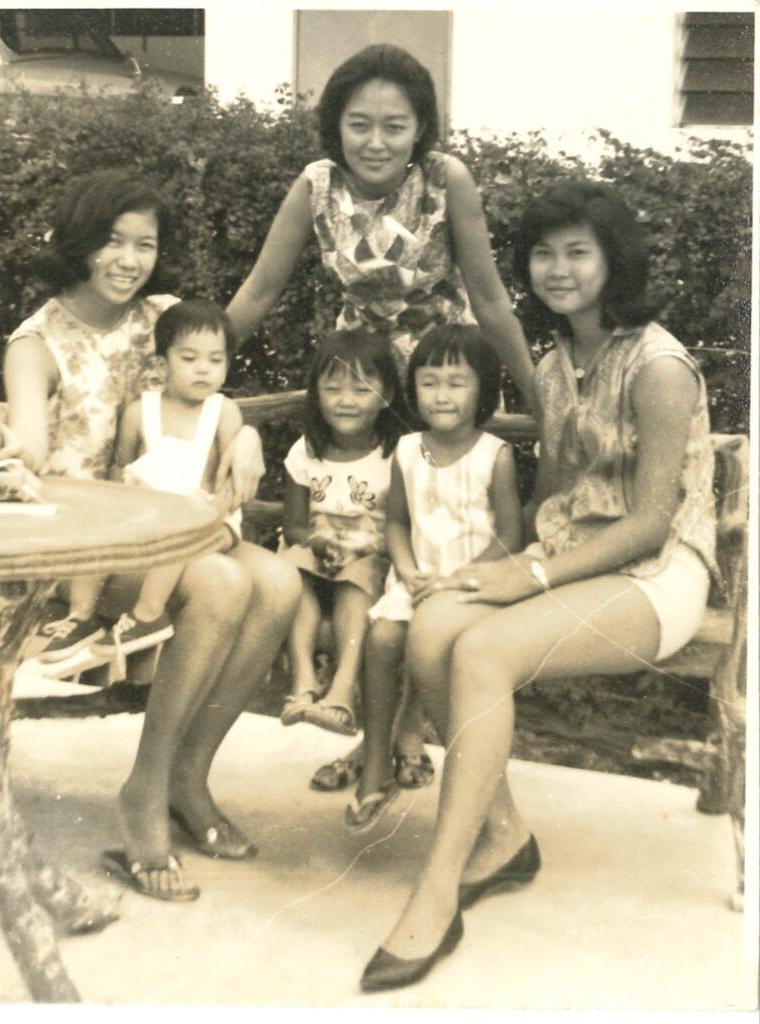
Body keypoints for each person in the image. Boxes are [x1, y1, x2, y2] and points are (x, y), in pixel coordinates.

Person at [359, 181, 717, 991]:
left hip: (657, 575)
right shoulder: (556, 365)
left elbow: (649, 523)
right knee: (434, 624)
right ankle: (504, 835)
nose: (559, 270)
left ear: (613, 260)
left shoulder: (659, 367)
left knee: (482, 652)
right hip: (569, 559)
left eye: (578, 252)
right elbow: (554, 497)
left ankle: (437, 890)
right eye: (544, 255)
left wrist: (526, 575)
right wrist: (488, 568)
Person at [227, 43, 536, 791]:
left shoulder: (446, 179)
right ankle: (369, 737)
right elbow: (260, 290)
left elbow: (490, 298)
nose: (375, 141)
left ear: (421, 128)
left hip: (441, 388)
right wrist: (192, 368)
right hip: (363, 390)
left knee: (428, 561)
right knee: (375, 564)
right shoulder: (315, 186)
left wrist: (538, 397)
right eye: (359, 124)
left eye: (394, 126)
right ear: (334, 126)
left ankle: (406, 736)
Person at [3, 169, 300, 901]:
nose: (129, 260)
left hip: (170, 525)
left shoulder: (163, 317)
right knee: (224, 583)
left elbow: (212, 395)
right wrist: (17, 447)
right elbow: (29, 443)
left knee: (279, 581)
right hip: (84, 547)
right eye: (112, 241)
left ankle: (187, 779)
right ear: (79, 242)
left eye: (145, 244)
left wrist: (246, 436)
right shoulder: (36, 343)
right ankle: (145, 790)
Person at [345, 323, 522, 833]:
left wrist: (460, 579)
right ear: (414, 389)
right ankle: (376, 760)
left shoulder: (495, 455)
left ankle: (448, 766)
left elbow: (510, 535)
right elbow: (397, 524)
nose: (441, 395)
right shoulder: (406, 451)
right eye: (429, 382)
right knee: (382, 640)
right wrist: (405, 569)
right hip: (417, 582)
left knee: (441, 646)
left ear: (483, 390)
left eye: (456, 383)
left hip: (472, 588)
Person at [92, 299, 245, 657]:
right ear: (163, 364)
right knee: (98, 533)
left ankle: (148, 614)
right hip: (152, 521)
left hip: (212, 521)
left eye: (215, 360)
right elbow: (119, 474)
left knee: (179, 534)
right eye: (189, 358)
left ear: (226, 367)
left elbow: (231, 486)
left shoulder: (224, 412)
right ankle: (81, 617)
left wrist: (210, 515)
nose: (203, 369)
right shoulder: (139, 412)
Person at [280, 329, 401, 735]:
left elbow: (400, 525)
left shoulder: (394, 456)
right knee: (292, 569)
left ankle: (342, 691)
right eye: (332, 389)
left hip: (369, 562)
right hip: (315, 555)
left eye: (361, 389)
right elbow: (294, 526)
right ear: (316, 394)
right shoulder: (305, 452)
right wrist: (315, 541)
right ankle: (302, 684)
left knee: (358, 578)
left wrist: (364, 548)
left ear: (386, 395)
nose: (345, 400)